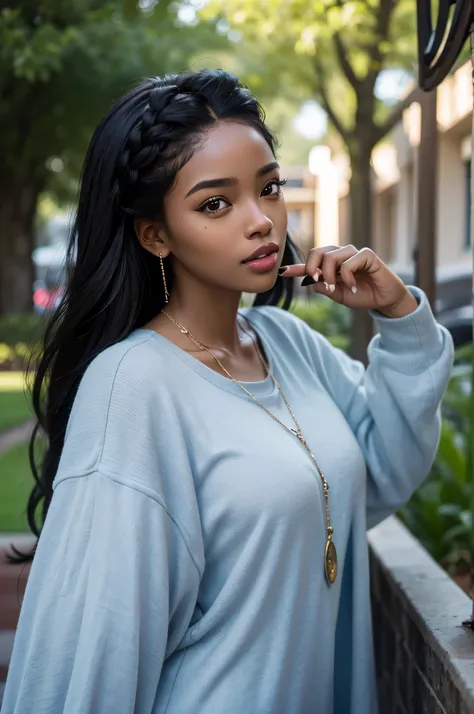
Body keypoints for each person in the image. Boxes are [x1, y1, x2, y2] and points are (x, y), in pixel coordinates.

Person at [2, 69, 453, 714]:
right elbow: (91, 643)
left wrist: (402, 320)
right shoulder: (134, 385)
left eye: (269, 188)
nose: (261, 221)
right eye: (216, 203)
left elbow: (383, 470)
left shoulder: (286, 344)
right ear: (154, 234)